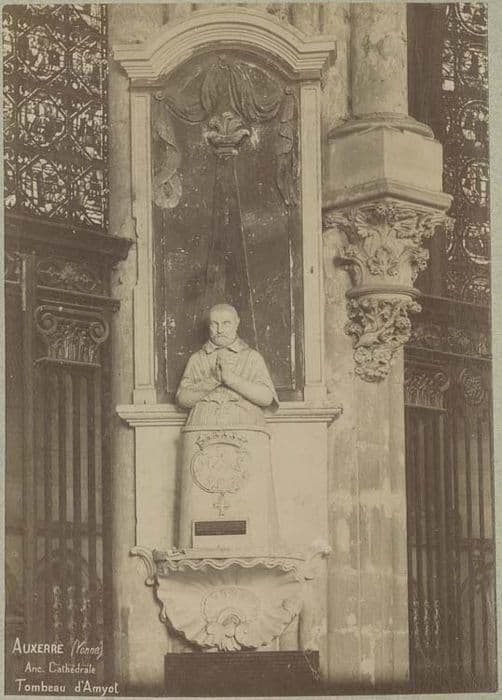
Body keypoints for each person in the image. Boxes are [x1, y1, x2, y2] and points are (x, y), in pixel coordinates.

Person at [176, 303, 278, 427]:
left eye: (226, 323)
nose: (220, 330)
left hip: (246, 426)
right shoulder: (197, 359)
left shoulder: (252, 357)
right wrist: (214, 380)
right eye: (215, 324)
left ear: (236, 323)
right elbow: (182, 399)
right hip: (203, 427)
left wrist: (231, 379)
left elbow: (266, 398)